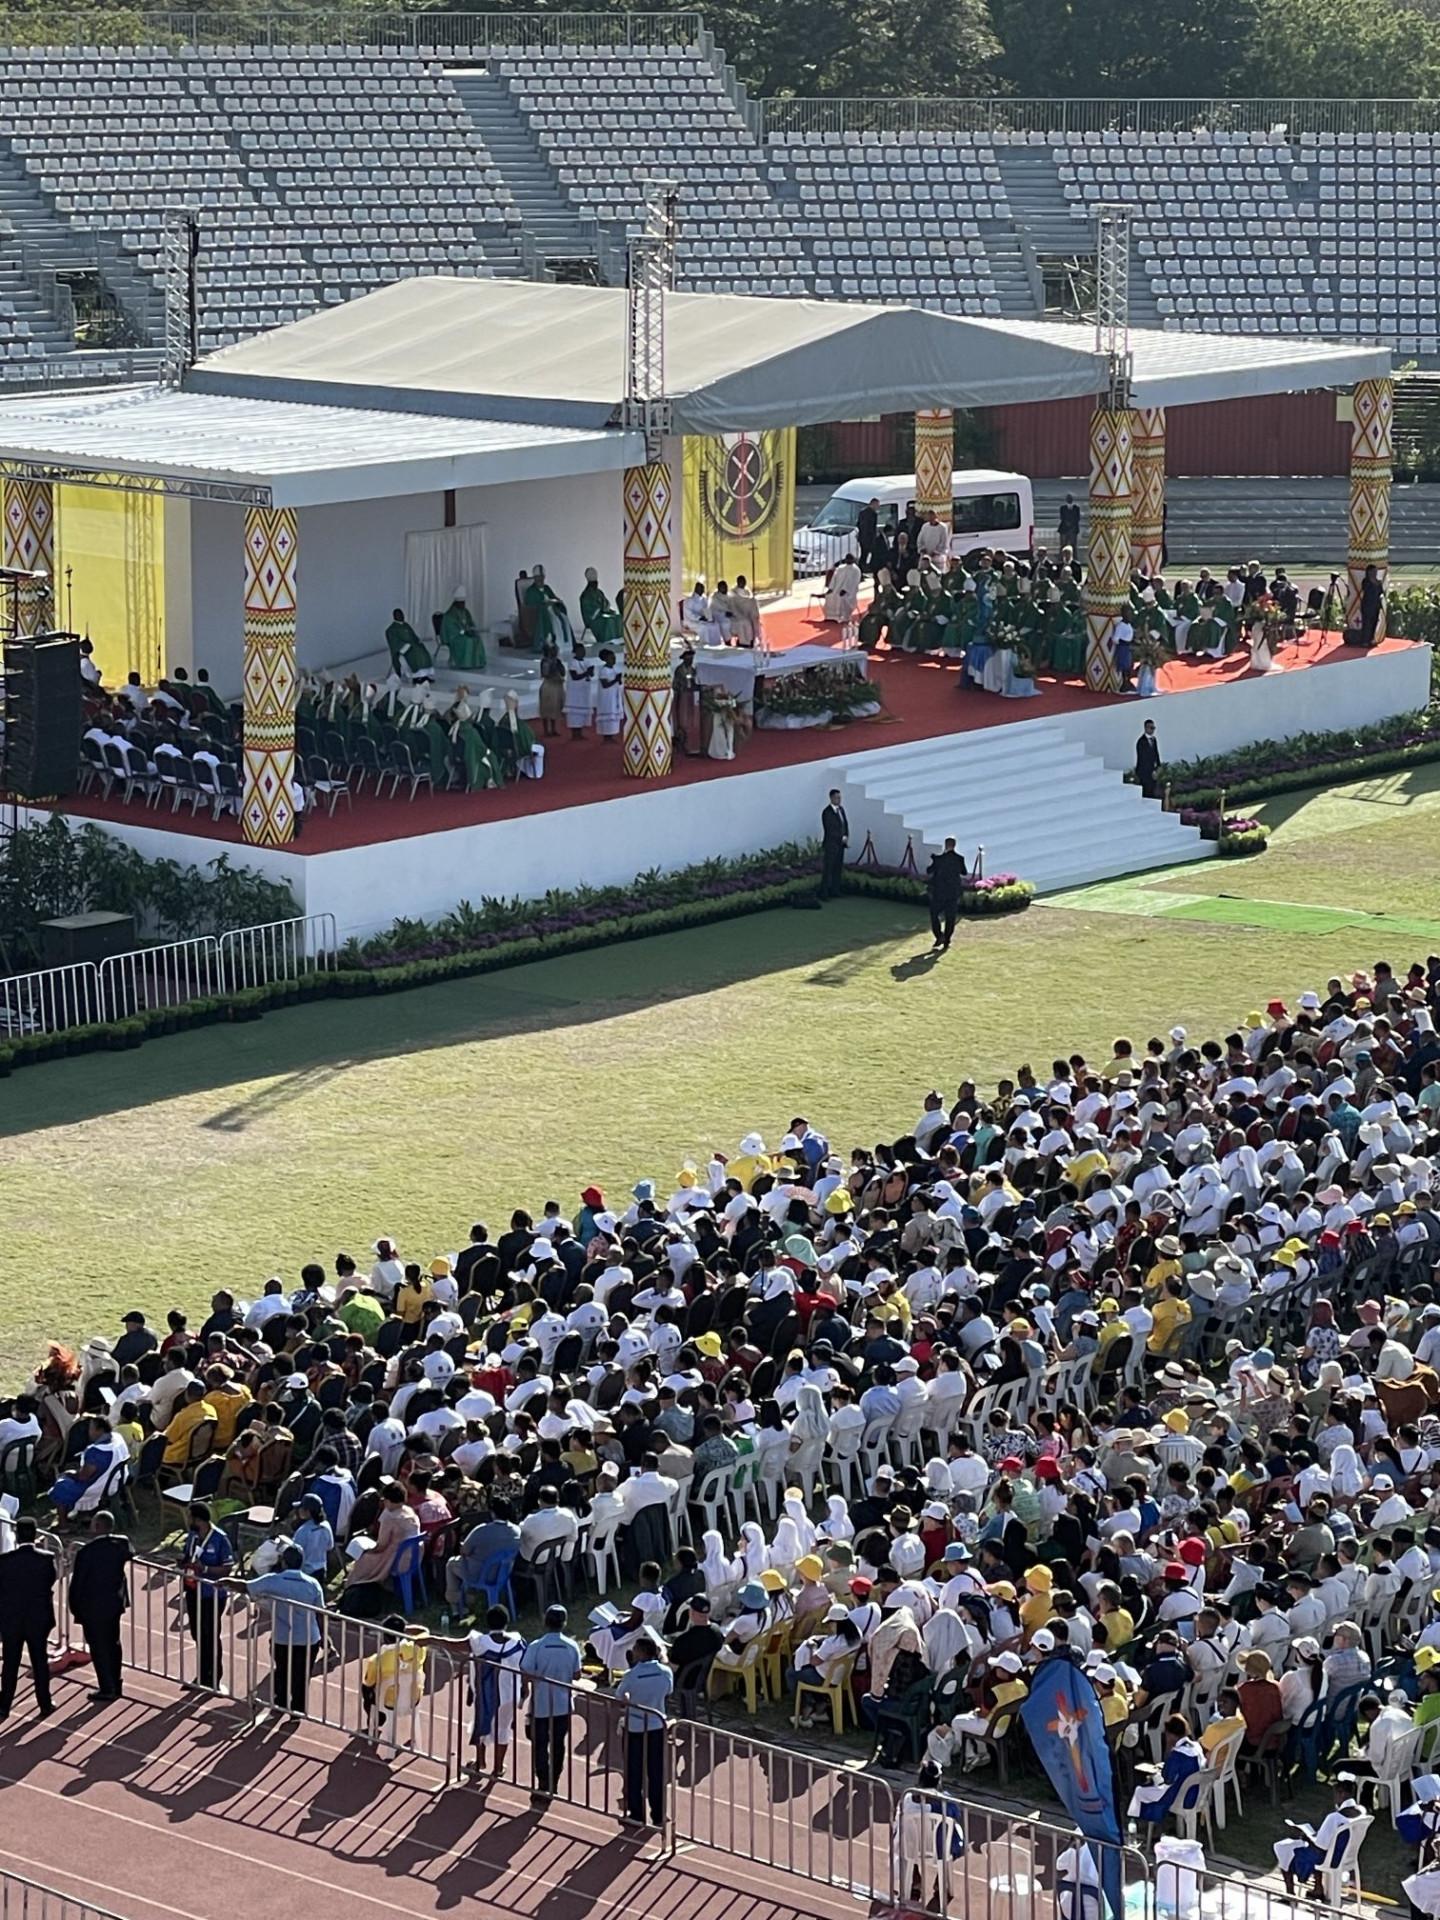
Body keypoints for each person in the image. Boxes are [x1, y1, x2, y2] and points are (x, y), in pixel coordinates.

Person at [244, 1543, 326, 1715]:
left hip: (283, 1638)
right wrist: (323, 1637)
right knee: (302, 1676)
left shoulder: (272, 1580)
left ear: (283, 1562)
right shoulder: (313, 1584)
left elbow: (246, 1586)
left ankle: (280, 1703)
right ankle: (298, 1710)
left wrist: (225, 1583)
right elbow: (320, 1613)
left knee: (282, 1671)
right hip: (309, 1639)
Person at [519, 1603, 584, 1806]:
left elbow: (526, 1673)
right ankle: (554, 1783)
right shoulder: (572, 1646)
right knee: (558, 1745)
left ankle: (543, 1783)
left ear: (545, 1621)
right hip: (563, 1706)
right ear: (564, 1623)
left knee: (540, 1746)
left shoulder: (536, 1646)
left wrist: (526, 1688)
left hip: (541, 1706)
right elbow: (577, 1674)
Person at [68, 1510, 132, 1703]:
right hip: (114, 1604)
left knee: (98, 1647)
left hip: (92, 1606)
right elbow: (130, 1551)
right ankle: (116, 1682)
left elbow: (77, 1583)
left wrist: (74, 1606)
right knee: (114, 1643)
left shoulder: (86, 1553)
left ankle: (107, 1687)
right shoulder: (120, 1545)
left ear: (96, 1527)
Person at [614, 1635, 673, 1827]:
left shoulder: (631, 1676)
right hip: (657, 1726)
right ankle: (659, 1815)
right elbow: (668, 1691)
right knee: (656, 1773)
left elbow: (620, 1696)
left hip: (636, 1727)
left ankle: (636, 1814)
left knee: (634, 1771)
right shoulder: (665, 1672)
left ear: (639, 1653)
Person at [0, 1518, 55, 1721]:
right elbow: (51, 1581)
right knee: (40, 1662)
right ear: (34, 1534)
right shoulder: (46, 1559)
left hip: (11, 1619)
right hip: (38, 1619)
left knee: (10, 1663)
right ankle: (45, 1704)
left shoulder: (4, 1561)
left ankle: (4, 1705)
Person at [180, 1500, 234, 1691]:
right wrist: (183, 1562)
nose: (188, 1520)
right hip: (193, 1590)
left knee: (211, 1635)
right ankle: (202, 1676)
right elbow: (187, 1556)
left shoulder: (220, 1539)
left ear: (199, 1520)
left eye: (190, 1517)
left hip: (212, 1595)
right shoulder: (193, 1536)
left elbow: (228, 1568)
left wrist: (205, 1568)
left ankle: (214, 1678)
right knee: (197, 1634)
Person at [467, 1604, 526, 1776]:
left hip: (486, 1694)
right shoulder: (518, 1642)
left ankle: (480, 1762)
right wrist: (526, 1687)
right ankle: (498, 1768)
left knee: (481, 1724)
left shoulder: (479, 1642)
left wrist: (430, 1640)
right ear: (507, 1622)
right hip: (509, 1696)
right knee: (503, 1729)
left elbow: (453, 1645)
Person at [926, 839, 969, 952]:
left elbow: (929, 871)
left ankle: (939, 936)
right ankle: (947, 939)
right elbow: (964, 872)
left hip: (939, 892)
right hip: (953, 892)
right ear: (954, 846)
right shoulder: (959, 859)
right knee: (950, 917)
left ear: (945, 845)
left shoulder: (939, 859)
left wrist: (933, 859)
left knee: (934, 914)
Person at [441, 590, 485, 671]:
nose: (462, 605)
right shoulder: (449, 615)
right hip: (455, 637)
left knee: (477, 639)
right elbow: (452, 631)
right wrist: (464, 632)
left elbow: (471, 623)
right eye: (461, 603)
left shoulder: (466, 612)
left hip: (465, 633)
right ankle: (465, 663)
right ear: (456, 603)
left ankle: (477, 663)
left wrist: (472, 630)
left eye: (463, 602)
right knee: (468, 641)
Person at [579, 568, 622, 645]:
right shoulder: (585, 595)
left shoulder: (599, 592)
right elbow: (589, 612)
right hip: (594, 619)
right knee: (609, 620)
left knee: (618, 617)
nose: (595, 584)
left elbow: (606, 603)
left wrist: (608, 609)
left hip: (602, 614)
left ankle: (618, 639)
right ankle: (607, 639)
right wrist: (600, 608)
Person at [820, 789, 849, 900]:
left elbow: (844, 824)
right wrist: (841, 837)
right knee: (828, 869)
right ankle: (824, 893)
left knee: (838, 868)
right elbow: (830, 829)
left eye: (840, 797)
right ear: (831, 798)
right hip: (831, 845)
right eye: (837, 798)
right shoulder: (827, 812)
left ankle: (835, 890)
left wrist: (846, 836)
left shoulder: (841, 810)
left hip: (840, 845)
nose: (839, 800)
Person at [565, 645, 596, 739]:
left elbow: (592, 674)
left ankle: (580, 732)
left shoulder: (587, 661)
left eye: (584, 650)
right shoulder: (572, 663)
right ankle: (574, 733)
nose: (583, 652)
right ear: (576, 651)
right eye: (581, 650)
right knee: (574, 713)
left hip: (584, 691)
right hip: (574, 692)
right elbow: (574, 677)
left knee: (582, 713)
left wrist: (591, 671)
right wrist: (587, 672)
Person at [385, 609, 426, 677]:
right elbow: (394, 643)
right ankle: (415, 673)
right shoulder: (391, 630)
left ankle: (425, 671)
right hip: (402, 649)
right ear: (395, 616)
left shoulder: (406, 625)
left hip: (412, 645)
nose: (402, 616)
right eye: (399, 615)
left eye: (402, 614)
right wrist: (406, 645)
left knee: (422, 650)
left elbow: (413, 635)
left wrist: (417, 641)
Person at [824, 554, 862, 626]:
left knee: (842, 598)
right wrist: (831, 588)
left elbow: (854, 582)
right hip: (836, 589)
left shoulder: (856, 570)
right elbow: (834, 579)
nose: (848, 560)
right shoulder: (840, 568)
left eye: (850, 559)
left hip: (849, 592)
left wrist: (845, 590)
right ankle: (830, 617)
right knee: (830, 596)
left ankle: (845, 617)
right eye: (847, 559)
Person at [596, 649, 624, 742]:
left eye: (614, 657)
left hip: (614, 696)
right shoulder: (603, 670)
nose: (614, 659)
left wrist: (619, 679)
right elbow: (605, 685)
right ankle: (606, 736)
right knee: (608, 715)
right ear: (606, 659)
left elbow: (619, 682)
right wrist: (616, 679)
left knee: (614, 715)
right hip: (607, 697)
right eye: (611, 658)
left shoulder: (616, 669)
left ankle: (611, 735)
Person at [1135, 719, 1163, 801]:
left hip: (1152, 770)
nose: (1153, 730)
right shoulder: (1141, 742)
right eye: (1151, 728)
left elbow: (1155, 753)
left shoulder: (1153, 740)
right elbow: (1144, 759)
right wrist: (1152, 770)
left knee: (1153, 790)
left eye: (1153, 728)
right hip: (1144, 771)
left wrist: (1158, 766)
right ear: (1146, 728)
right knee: (1147, 791)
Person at [1358, 564, 1385, 647]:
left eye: (1376, 571)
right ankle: (1364, 640)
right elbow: (1366, 591)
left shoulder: (1378, 582)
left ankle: (1371, 639)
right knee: (1366, 624)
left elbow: (1381, 592)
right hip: (1367, 605)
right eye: (1373, 571)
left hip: (1376, 605)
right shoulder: (1366, 581)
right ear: (1369, 572)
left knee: (1374, 622)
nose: (1375, 573)